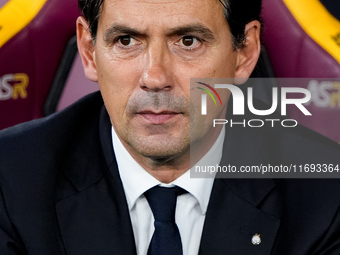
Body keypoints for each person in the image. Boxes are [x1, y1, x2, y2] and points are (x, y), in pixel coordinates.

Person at [0, 0, 340, 254]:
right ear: (89, 51)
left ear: (245, 52)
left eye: (188, 41)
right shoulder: (10, 180)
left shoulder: (326, 194)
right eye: (126, 41)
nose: (155, 78)